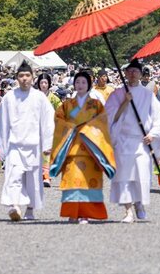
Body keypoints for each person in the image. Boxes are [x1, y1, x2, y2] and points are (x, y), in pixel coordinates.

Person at [0, 61, 55, 221]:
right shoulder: (9, 97)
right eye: (21, 76)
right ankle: (15, 206)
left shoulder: (40, 98)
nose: (24, 78)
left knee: (32, 180)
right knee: (14, 176)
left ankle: (30, 210)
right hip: (15, 145)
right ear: (17, 78)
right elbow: (1, 122)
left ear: (32, 78)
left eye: (27, 75)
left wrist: (47, 144)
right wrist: (2, 144)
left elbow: (48, 122)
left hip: (34, 146)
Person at [105, 59, 160, 223]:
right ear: (125, 73)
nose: (132, 74)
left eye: (136, 71)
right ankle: (128, 212)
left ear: (141, 74)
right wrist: (125, 102)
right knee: (124, 177)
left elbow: (157, 117)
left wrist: (153, 134)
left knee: (141, 174)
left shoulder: (148, 94)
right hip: (123, 140)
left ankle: (139, 203)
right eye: (130, 71)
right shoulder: (117, 94)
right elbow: (110, 118)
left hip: (141, 141)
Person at [50, 71, 116, 224]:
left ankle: (85, 214)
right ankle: (73, 213)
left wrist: (88, 129)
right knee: (72, 181)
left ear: (88, 85)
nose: (80, 85)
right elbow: (58, 119)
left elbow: (102, 121)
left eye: (83, 83)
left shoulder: (96, 105)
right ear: (74, 84)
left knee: (88, 183)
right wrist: (70, 128)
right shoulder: (67, 105)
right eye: (78, 82)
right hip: (71, 148)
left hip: (91, 150)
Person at [35, 73, 61, 188]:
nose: (44, 85)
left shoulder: (54, 98)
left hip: (50, 128)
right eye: (41, 83)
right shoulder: (34, 96)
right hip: (36, 127)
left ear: (49, 84)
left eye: (45, 83)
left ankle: (46, 176)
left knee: (47, 152)